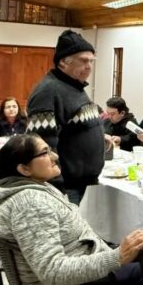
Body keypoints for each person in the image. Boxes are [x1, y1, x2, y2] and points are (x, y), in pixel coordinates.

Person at [0, 134, 143, 285]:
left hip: (56, 280)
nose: (55, 156)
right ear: (24, 169)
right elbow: (53, 271)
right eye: (45, 152)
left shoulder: (22, 188)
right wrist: (116, 257)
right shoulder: (30, 203)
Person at [26, 30, 106, 204]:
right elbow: (40, 143)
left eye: (91, 61)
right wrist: (57, 185)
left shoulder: (73, 86)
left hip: (79, 183)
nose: (89, 66)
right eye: (83, 61)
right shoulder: (49, 91)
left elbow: (75, 124)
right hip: (64, 187)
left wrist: (100, 136)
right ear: (63, 61)